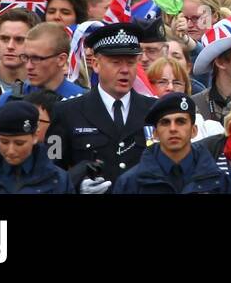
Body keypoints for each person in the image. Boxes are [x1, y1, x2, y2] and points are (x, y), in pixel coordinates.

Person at [46, 22, 157, 192]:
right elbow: (51, 174)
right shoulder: (67, 112)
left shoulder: (154, 110)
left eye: (131, 62)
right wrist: (76, 187)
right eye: (116, 62)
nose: (125, 70)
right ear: (96, 64)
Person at [113, 93, 231, 194]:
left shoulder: (217, 180)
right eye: (165, 122)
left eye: (180, 121)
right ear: (155, 133)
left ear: (194, 131)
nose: (173, 128)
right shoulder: (131, 183)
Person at [0, 100, 71, 194]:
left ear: (35, 137)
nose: (11, 151)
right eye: (4, 142)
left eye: (19, 143)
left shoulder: (57, 179)